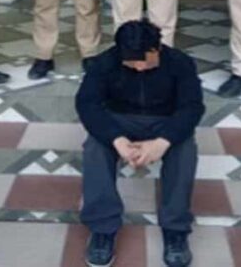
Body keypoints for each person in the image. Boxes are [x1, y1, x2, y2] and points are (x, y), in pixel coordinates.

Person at [76, 20, 203, 267]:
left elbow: (192, 107)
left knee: (185, 149)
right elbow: (87, 104)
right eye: (131, 62)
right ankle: (102, 228)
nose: (139, 67)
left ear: (158, 49)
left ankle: (175, 228)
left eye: (145, 60)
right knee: (95, 148)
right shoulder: (104, 63)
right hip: (119, 119)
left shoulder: (180, 63)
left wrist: (163, 141)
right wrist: (116, 138)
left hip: (164, 121)